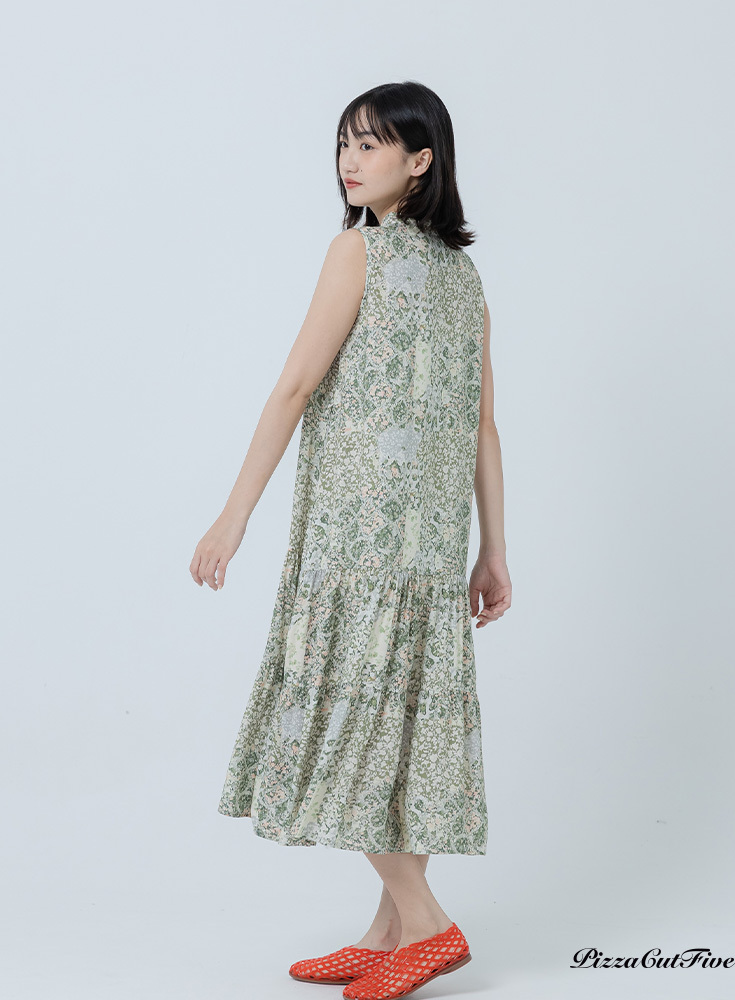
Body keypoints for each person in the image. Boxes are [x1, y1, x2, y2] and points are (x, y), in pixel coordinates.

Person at [189, 81, 511, 999]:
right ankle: (386, 934)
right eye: (344, 143)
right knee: (395, 728)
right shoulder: (467, 277)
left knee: (346, 725)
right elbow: (485, 427)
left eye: (371, 144)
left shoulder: (356, 251)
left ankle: (429, 925)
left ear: (421, 160)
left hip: (358, 542)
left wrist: (233, 515)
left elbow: (296, 386)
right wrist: (493, 550)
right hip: (428, 547)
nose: (349, 159)